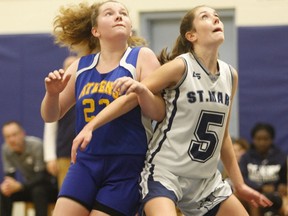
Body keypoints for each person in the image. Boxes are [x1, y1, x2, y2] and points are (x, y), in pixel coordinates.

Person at [112, 5, 273, 215]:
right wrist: (92, 126)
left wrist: (239, 184)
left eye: (217, 16)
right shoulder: (180, 66)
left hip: (205, 180)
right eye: (206, 17)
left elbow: (223, 136)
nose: (216, 19)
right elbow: (132, 96)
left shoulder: (230, 75)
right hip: (166, 172)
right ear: (191, 35)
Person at [40, 1, 160, 216]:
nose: (118, 16)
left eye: (123, 13)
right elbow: (51, 115)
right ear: (95, 30)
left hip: (126, 163)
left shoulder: (142, 57)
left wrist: (142, 91)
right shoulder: (81, 65)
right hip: (85, 162)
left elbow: (159, 112)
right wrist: (52, 93)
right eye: (109, 13)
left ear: (130, 27)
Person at [0, 121, 57, 216]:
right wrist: (7, 186)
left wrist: (20, 186)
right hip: (28, 187)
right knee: (4, 192)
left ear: (23, 133)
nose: (11, 140)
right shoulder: (6, 149)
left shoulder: (36, 145)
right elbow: (9, 175)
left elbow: (42, 177)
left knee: (38, 191)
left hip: (47, 187)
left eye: (14, 135)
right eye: (7, 137)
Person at [43, 56, 77, 189]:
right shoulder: (59, 92)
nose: (72, 68)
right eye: (68, 66)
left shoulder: (88, 88)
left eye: (74, 65)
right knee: (66, 191)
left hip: (88, 152)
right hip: (65, 153)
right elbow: (50, 126)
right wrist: (50, 157)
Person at [239, 122, 287, 216]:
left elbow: (283, 178)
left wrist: (281, 186)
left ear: (271, 139)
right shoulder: (246, 157)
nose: (262, 142)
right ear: (253, 139)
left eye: (266, 139)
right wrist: (260, 187)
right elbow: (242, 178)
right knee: (253, 200)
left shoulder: (280, 156)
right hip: (252, 192)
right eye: (258, 139)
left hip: (275, 193)